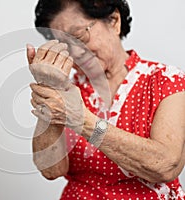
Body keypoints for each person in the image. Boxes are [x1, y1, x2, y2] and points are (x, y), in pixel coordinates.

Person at [26, 0, 185, 199]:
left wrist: (83, 121)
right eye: (64, 45)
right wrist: (49, 90)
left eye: (78, 36)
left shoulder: (166, 80)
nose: (74, 52)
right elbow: (51, 170)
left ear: (114, 21)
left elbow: (166, 166)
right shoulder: (68, 89)